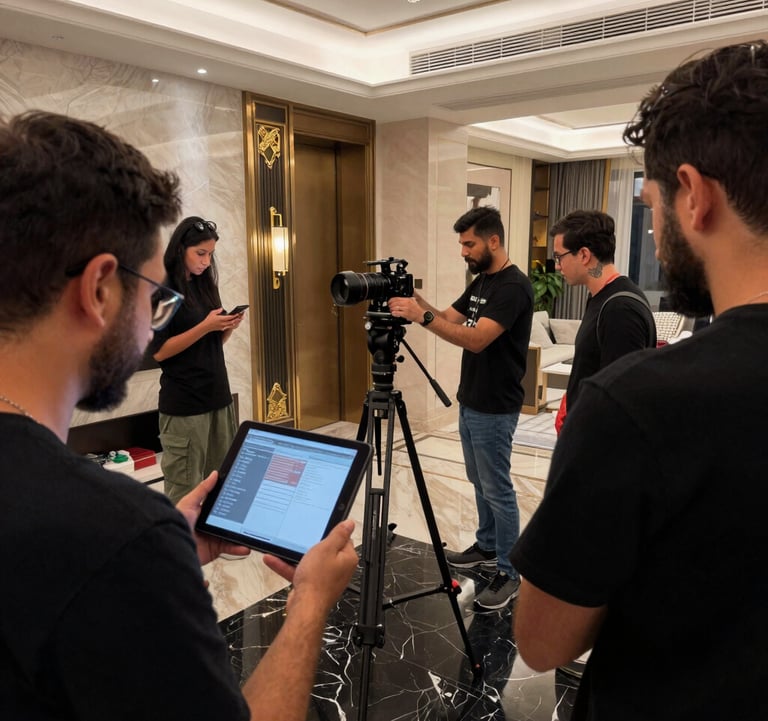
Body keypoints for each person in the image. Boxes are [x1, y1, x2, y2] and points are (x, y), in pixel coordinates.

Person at [0, 110, 358, 721]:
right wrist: (310, 602)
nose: (154, 313)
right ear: (99, 289)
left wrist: (163, 557)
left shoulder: (118, 540)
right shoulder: (114, 532)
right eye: (153, 295)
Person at [511, 41, 768, 720]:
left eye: (650, 202)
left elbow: (541, 641)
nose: (651, 231)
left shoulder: (638, 406)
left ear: (695, 195)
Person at [389, 206, 533, 610]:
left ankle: (509, 569)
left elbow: (475, 339)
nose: (463, 252)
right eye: (461, 244)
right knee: (478, 479)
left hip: (495, 406)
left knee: (498, 488)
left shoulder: (513, 287)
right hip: (471, 400)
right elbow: (449, 316)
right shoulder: (484, 281)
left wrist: (423, 315)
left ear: (493, 241)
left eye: (468, 244)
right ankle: (487, 545)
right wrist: (412, 299)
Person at [150, 217, 245, 504]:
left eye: (210, 255)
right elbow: (160, 351)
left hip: (218, 398)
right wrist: (205, 326)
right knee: (185, 486)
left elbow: (210, 344)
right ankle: (181, 547)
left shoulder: (205, 287)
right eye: (200, 254)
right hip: (185, 406)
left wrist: (224, 328)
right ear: (181, 249)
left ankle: (213, 540)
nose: (206, 262)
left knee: (221, 479)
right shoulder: (164, 292)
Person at [549, 210, 656, 433]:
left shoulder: (620, 309)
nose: (557, 266)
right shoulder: (601, 298)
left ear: (584, 255)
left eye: (559, 257)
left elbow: (620, 399)